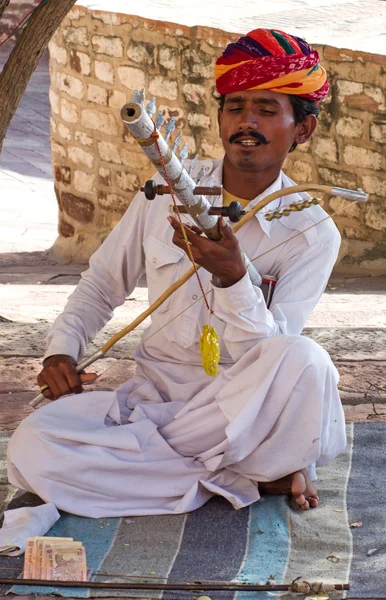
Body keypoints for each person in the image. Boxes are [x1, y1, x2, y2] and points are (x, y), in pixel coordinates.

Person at [7, 28, 346, 518]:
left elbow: (272, 360)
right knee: (31, 445)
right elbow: (103, 283)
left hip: (239, 409)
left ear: (304, 130)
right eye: (234, 107)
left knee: (307, 361)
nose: (246, 122)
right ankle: (238, 473)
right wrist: (62, 349)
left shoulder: (312, 231)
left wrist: (234, 281)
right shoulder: (162, 191)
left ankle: (183, 470)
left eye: (267, 110)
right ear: (219, 117)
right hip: (156, 402)